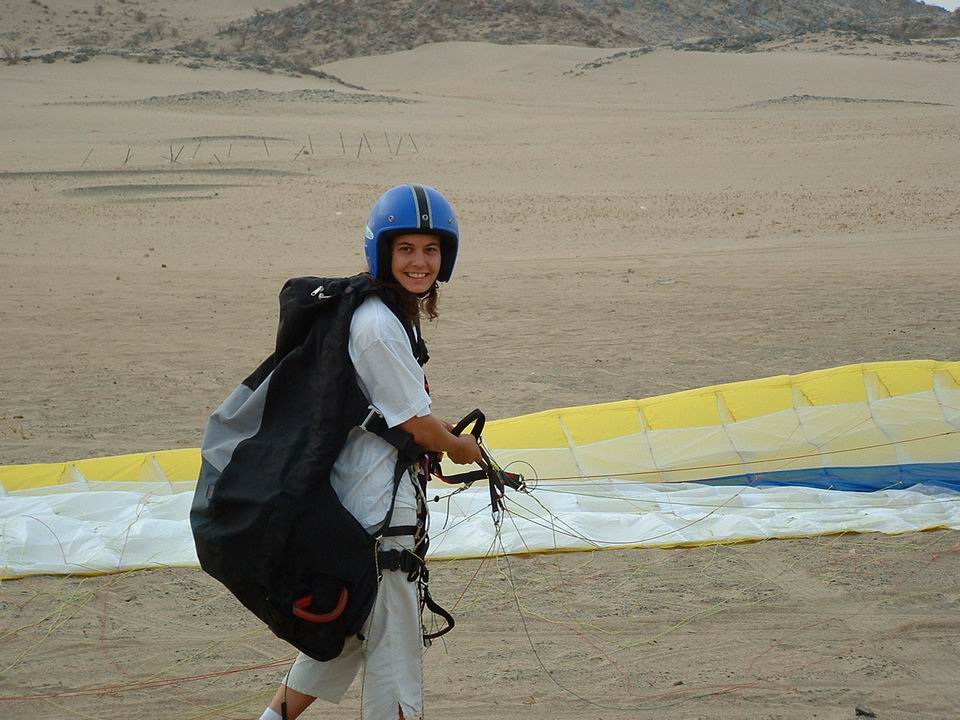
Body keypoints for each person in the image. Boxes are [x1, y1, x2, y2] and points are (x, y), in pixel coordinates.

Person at [259, 184, 481, 720]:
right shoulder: (380, 324)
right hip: (381, 520)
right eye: (406, 249)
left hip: (362, 509)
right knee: (396, 665)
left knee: (341, 643)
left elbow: (389, 412)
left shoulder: (385, 314)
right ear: (381, 251)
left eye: (430, 250)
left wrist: (435, 430)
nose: (419, 262)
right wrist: (456, 445)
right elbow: (413, 425)